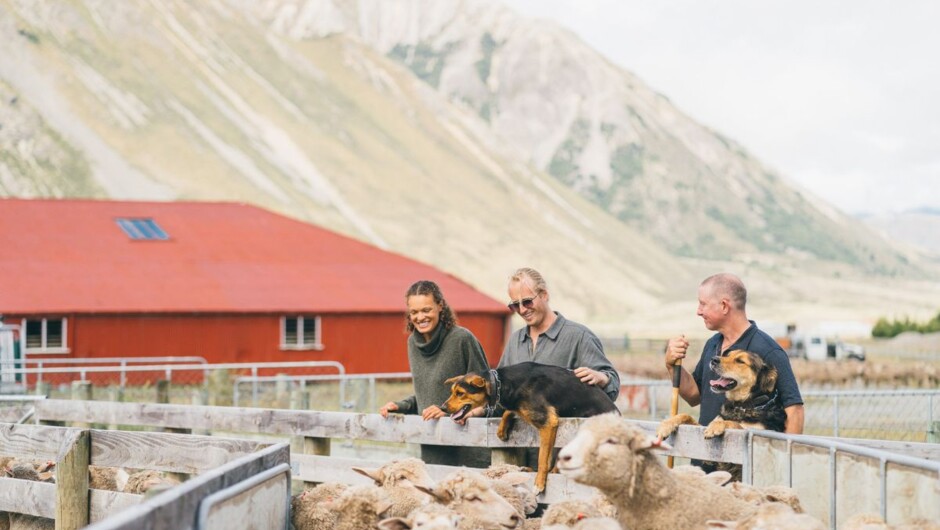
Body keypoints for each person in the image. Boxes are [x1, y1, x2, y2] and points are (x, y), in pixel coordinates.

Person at [459, 267, 621, 470]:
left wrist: (602, 377)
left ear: (544, 295)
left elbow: (610, 388)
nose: (522, 309)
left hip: (566, 462)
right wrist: (475, 412)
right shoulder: (515, 341)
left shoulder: (579, 337)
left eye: (527, 301)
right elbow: (499, 394)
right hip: (520, 458)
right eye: (515, 305)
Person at [664, 273, 804, 446]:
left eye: (703, 304)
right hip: (705, 464)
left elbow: (795, 411)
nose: (698, 311)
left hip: (746, 469)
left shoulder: (768, 350)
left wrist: (785, 462)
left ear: (724, 306)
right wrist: (672, 366)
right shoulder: (713, 344)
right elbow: (694, 395)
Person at [379, 280, 491, 467]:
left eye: (426, 310)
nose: (420, 317)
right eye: (414, 312)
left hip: (468, 451)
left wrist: (447, 410)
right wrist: (401, 406)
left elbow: (488, 394)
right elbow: (428, 393)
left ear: (440, 306)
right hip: (433, 450)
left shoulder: (462, 339)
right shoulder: (412, 345)